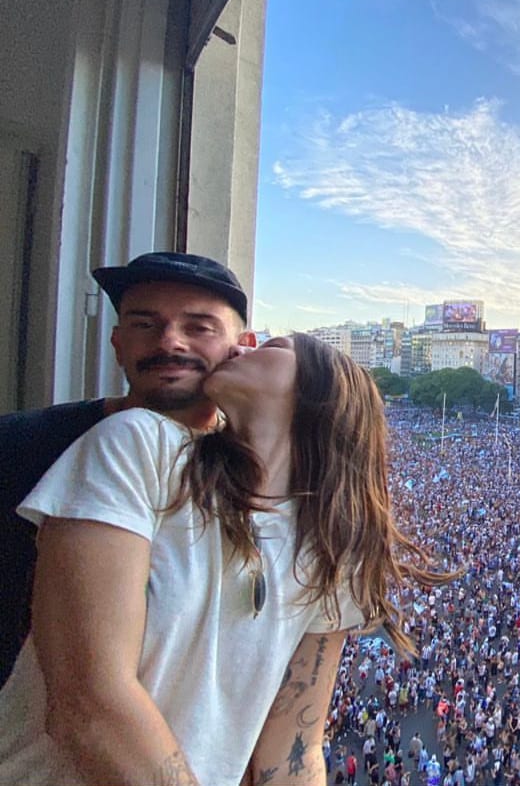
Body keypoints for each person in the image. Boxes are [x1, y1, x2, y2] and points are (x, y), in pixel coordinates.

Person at [0, 332, 454, 785]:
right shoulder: (140, 448)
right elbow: (89, 702)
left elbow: (292, 754)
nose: (239, 347)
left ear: (323, 394)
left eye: (271, 347)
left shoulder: (330, 553)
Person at [0, 251, 256, 686]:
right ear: (117, 343)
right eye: (144, 324)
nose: (170, 342)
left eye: (199, 327)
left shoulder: (259, 471)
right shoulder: (18, 446)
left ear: (242, 347)